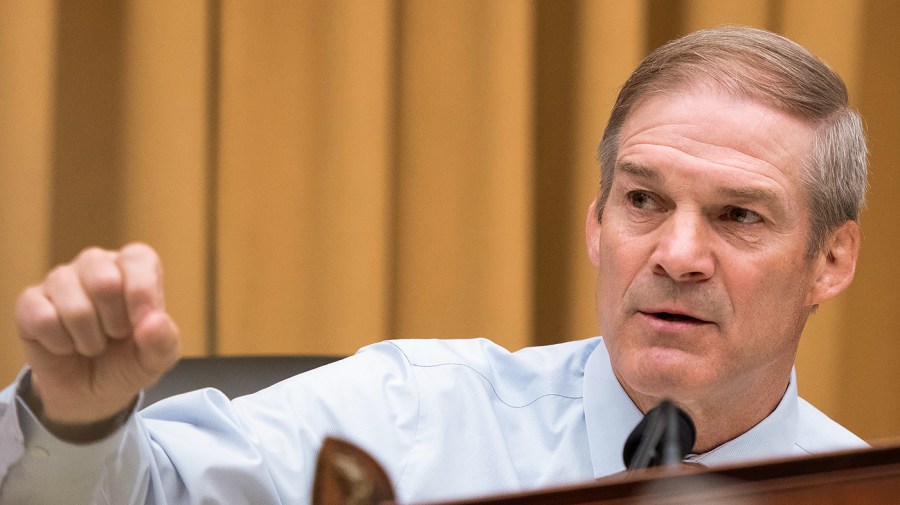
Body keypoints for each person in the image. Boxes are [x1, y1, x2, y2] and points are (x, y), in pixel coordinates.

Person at [0, 25, 869, 504]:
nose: (676, 255)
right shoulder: (406, 414)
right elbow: (154, 495)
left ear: (830, 260)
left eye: (738, 215)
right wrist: (75, 422)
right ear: (597, 224)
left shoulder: (863, 488)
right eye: (643, 200)